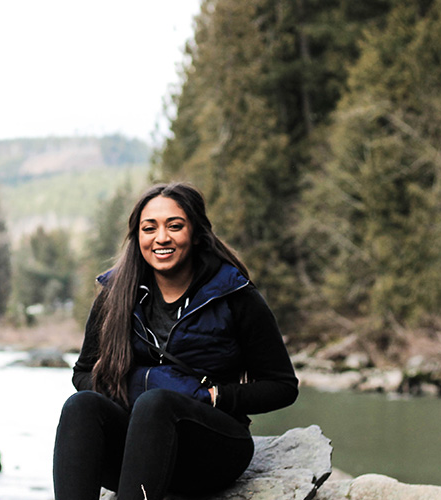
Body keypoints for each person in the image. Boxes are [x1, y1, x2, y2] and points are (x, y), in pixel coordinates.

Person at [52, 182, 299, 500]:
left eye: (175, 226)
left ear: (196, 234)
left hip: (210, 453)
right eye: (149, 228)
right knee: (81, 405)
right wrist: (127, 392)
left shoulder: (235, 295)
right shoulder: (116, 295)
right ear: (137, 237)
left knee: (157, 403)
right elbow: (83, 372)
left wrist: (214, 396)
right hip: (135, 453)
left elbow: (282, 386)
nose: (161, 238)